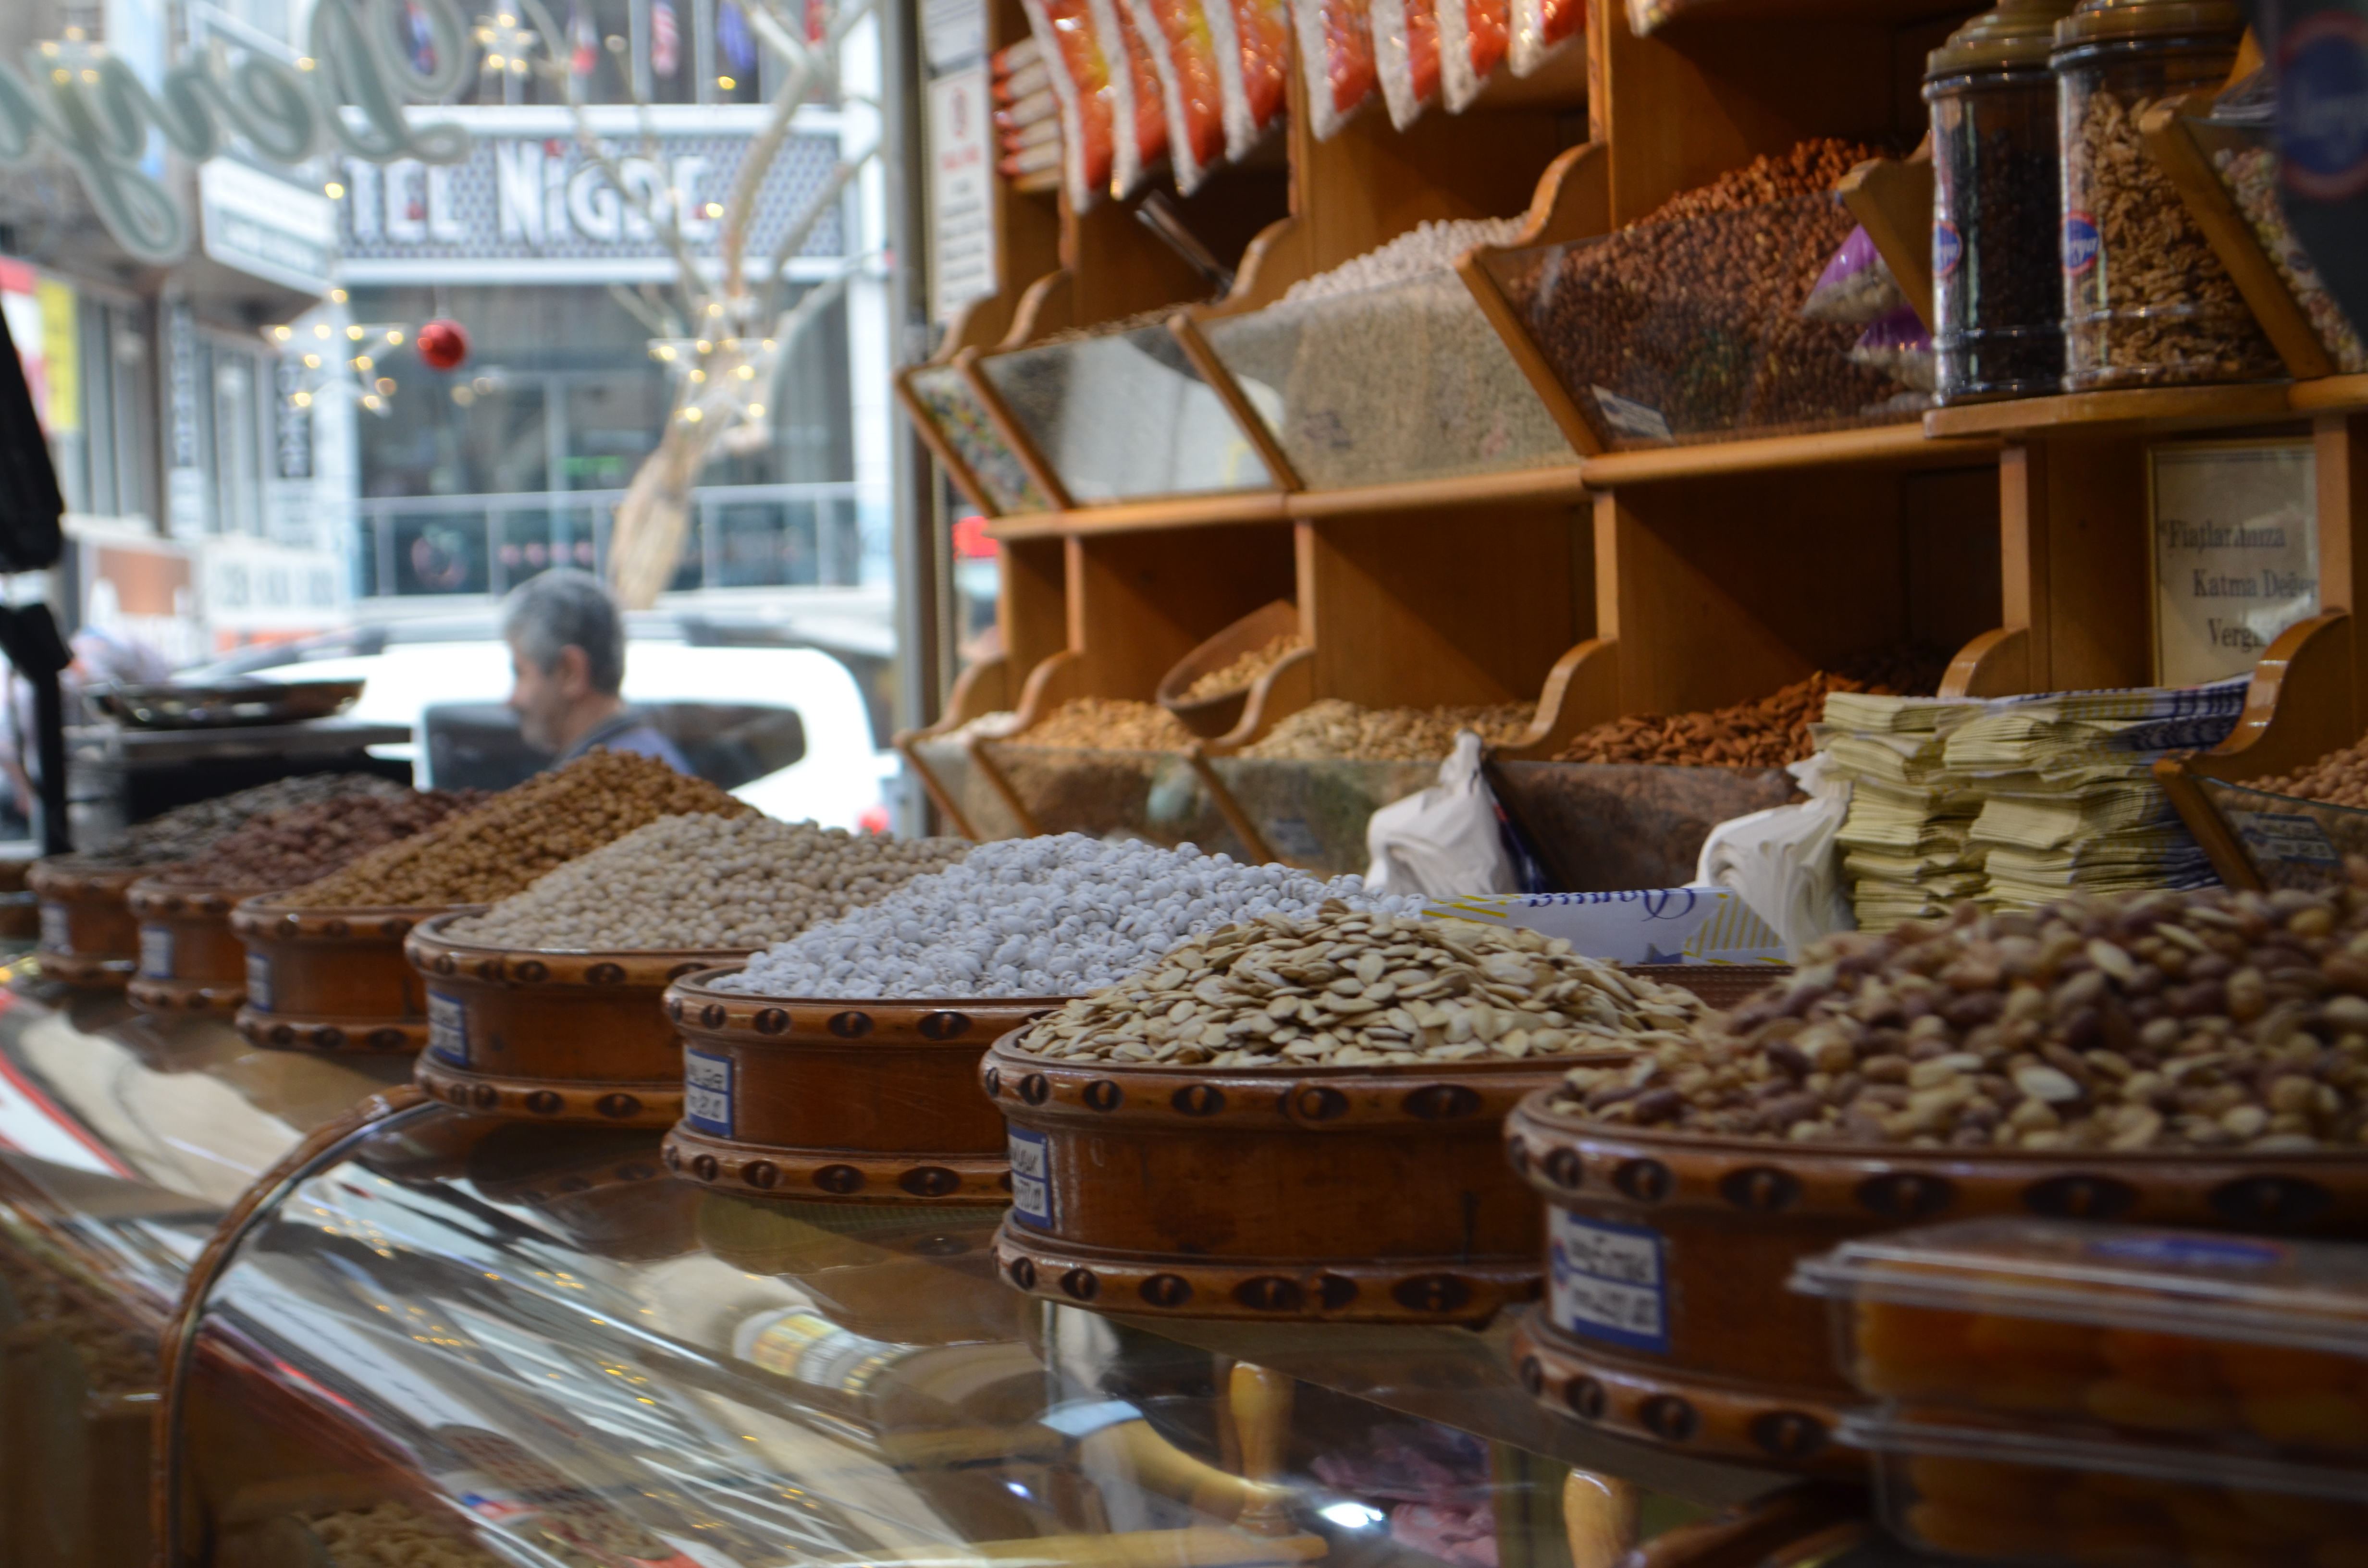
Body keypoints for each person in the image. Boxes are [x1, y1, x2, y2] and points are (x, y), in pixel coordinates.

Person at [502, 569, 689, 772]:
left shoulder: (606, 783)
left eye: (520, 673)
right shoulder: (649, 760)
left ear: (570, 673)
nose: (511, 701)